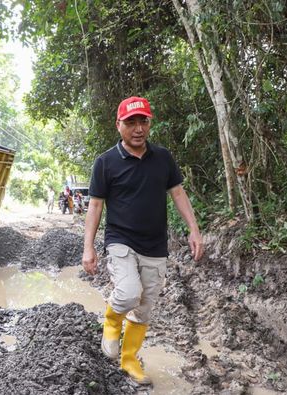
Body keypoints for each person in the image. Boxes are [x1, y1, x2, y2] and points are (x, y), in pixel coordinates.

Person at [82, 96, 204, 385]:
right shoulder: (105, 162)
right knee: (127, 292)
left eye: (143, 121)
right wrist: (88, 247)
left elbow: (177, 193)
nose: (138, 129)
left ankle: (129, 359)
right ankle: (111, 324)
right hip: (121, 240)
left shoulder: (163, 158)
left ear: (149, 123)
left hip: (155, 245)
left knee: (144, 306)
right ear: (119, 125)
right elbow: (96, 206)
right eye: (131, 122)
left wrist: (194, 230)